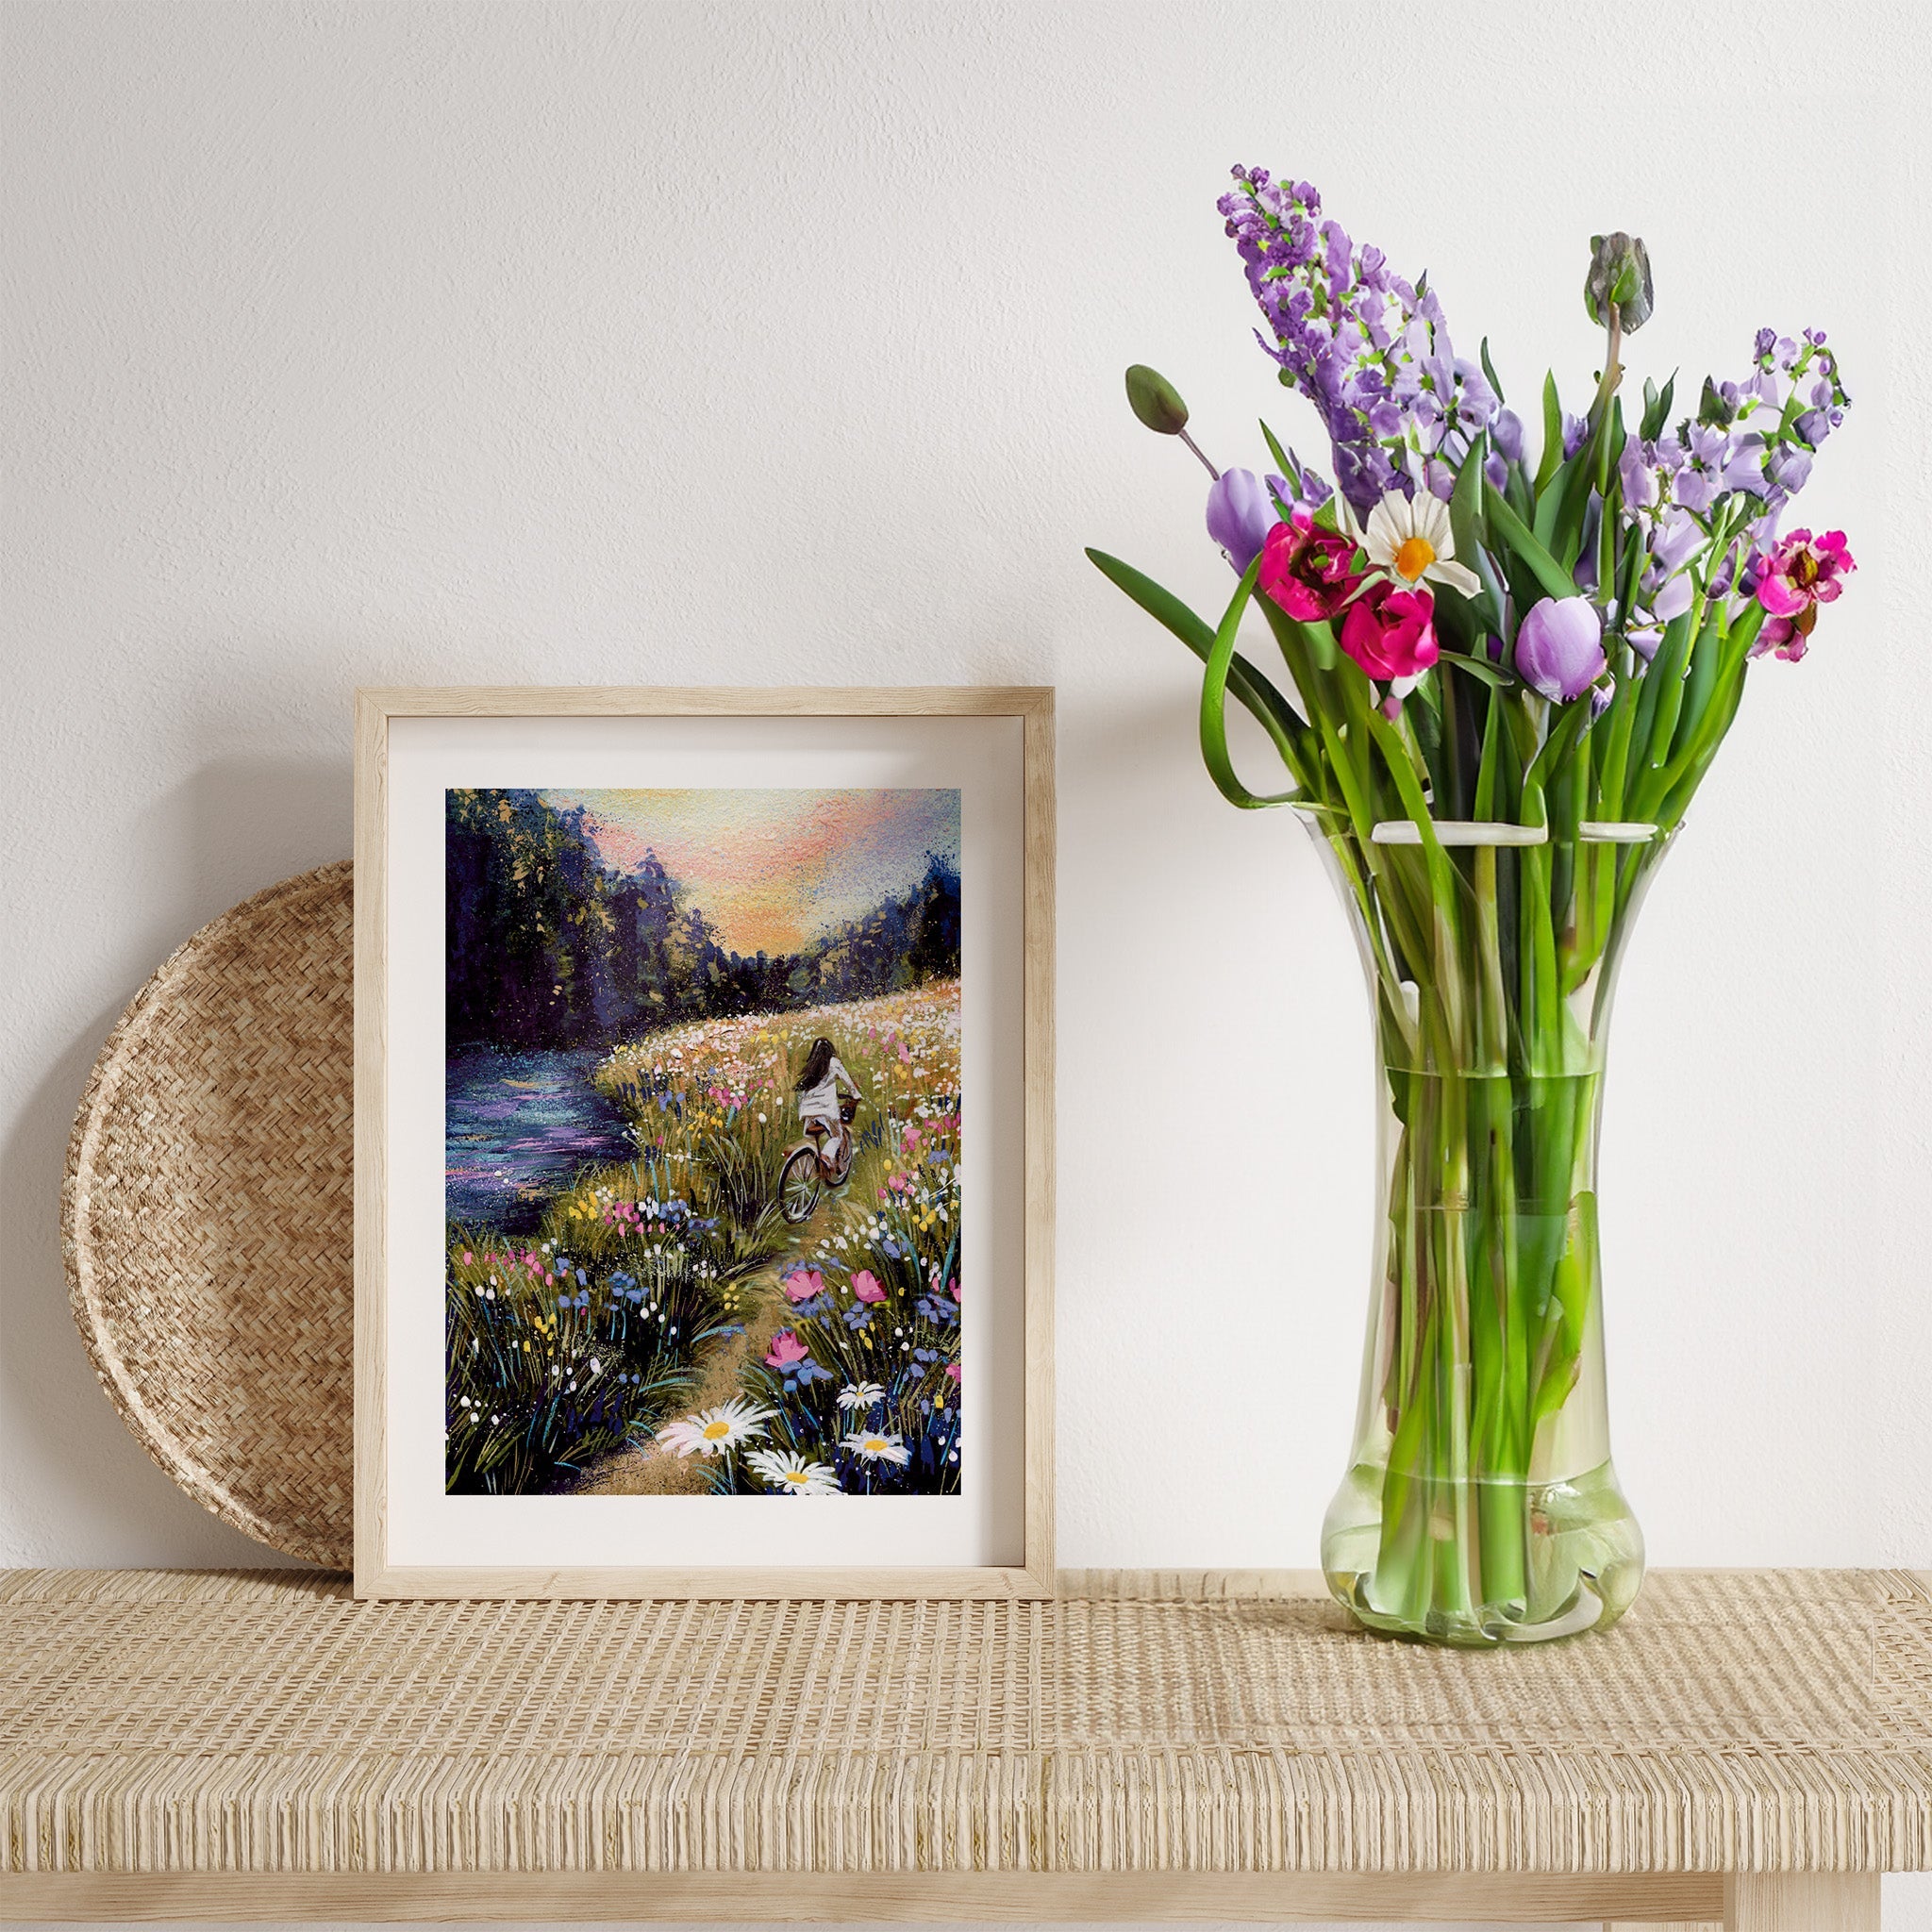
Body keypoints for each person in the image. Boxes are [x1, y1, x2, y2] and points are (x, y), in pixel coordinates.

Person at [793, 1036, 859, 1173]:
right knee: (837, 1136)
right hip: (826, 1110)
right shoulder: (833, 1062)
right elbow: (848, 1082)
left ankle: (822, 1163)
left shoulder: (812, 1066)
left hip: (806, 1112)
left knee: (817, 1134)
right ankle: (826, 1156)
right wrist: (856, 1095)